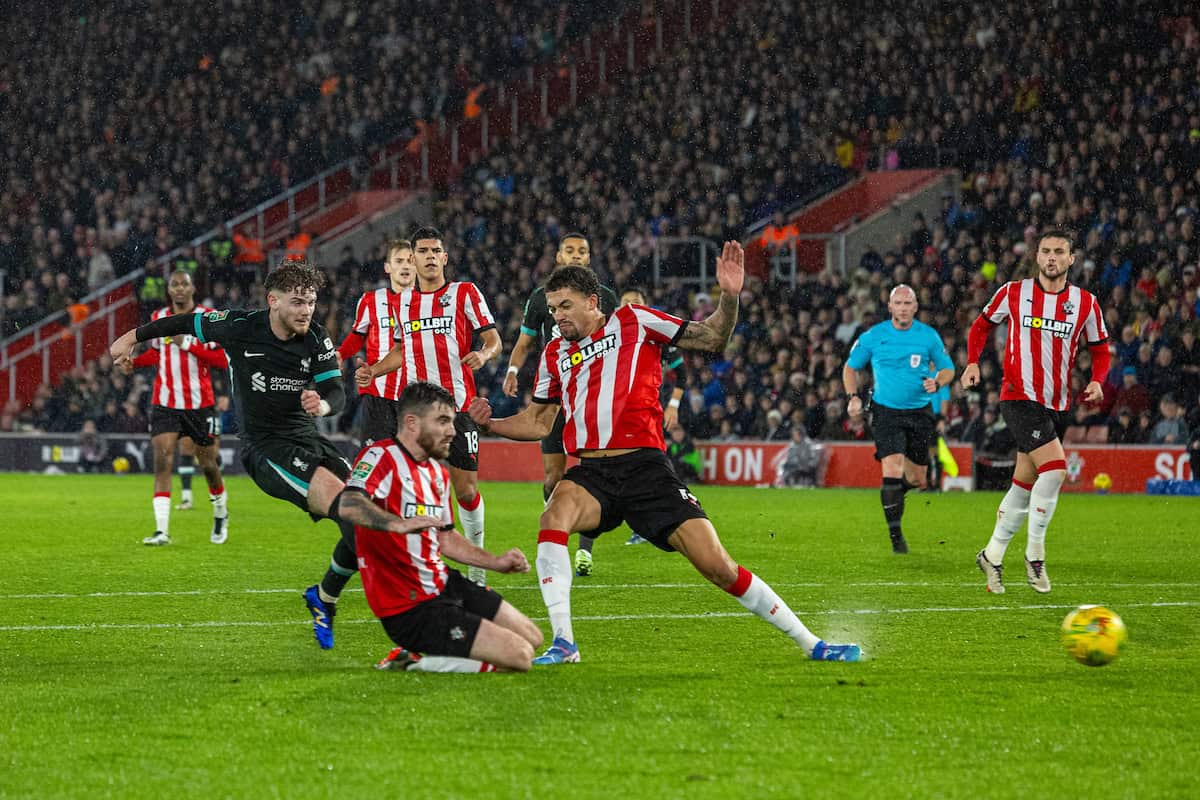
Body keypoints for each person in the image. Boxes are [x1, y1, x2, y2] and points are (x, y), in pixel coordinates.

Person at [468, 246, 861, 664]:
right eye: (552, 308)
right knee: (553, 517)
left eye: (565, 306)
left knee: (718, 566)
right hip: (593, 473)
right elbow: (540, 421)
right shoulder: (553, 354)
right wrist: (491, 424)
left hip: (646, 469)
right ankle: (564, 642)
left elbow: (712, 337)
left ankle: (812, 643)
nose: (557, 315)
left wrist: (729, 296)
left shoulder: (633, 321)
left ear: (593, 302)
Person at [111, 260, 438, 649]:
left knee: (365, 508)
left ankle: (325, 596)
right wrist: (133, 336)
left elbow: (337, 391)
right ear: (273, 301)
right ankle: (410, 623)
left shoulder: (316, 337)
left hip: (309, 441)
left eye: (312, 302)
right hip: (266, 450)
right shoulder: (240, 326)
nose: (306, 311)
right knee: (357, 512)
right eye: (298, 302)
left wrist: (324, 406)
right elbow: (181, 324)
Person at [351, 382, 543, 673]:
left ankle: (433, 653)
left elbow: (447, 539)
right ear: (412, 423)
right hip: (410, 607)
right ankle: (412, 663)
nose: (452, 431)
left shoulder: (437, 473)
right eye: (442, 421)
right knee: (519, 657)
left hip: (445, 584)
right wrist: (396, 524)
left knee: (534, 638)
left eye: (452, 422)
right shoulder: (380, 457)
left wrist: (497, 562)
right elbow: (348, 503)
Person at [962, 229, 1109, 594]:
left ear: (1071, 259)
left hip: (1056, 403)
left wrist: (1098, 379)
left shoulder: (1086, 303)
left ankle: (992, 555)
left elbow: (1101, 349)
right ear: (1037, 256)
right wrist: (972, 363)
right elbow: (980, 327)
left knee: (1024, 481)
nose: (1052, 258)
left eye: (1059, 252)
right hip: (1018, 396)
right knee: (1056, 470)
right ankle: (1035, 555)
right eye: (1046, 251)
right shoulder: (1014, 293)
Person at [356, 227, 501, 586]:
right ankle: (429, 563)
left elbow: (494, 339)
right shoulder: (404, 303)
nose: (430, 256)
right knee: (424, 491)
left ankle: (477, 562)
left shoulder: (464, 293)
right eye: (423, 251)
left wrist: (484, 355)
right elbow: (401, 351)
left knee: (465, 491)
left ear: (445, 257)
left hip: (459, 409)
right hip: (419, 415)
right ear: (415, 257)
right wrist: (373, 370)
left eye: (436, 250)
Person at [501, 233, 620, 574]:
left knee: (592, 471)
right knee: (554, 476)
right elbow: (525, 342)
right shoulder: (541, 298)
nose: (576, 255)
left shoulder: (605, 298)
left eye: (582, 250)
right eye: (570, 250)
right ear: (558, 255)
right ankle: (557, 538)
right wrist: (512, 370)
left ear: (589, 256)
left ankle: (584, 549)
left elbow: (618, 341)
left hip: (591, 395)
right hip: (555, 394)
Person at [842, 284, 955, 553]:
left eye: (908, 304)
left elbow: (948, 369)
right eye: (899, 304)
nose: (903, 308)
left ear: (915, 307)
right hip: (886, 411)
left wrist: (937, 383)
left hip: (920, 412)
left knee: (917, 479)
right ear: (890, 307)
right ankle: (896, 537)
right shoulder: (874, 336)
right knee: (891, 469)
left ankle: (891, 496)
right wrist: (853, 397)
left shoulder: (928, 337)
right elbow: (850, 367)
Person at [127, 270, 231, 546]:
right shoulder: (158, 318)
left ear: (193, 287)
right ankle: (162, 531)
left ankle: (220, 511)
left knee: (208, 464)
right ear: (169, 290)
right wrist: (133, 363)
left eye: (185, 283)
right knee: (162, 463)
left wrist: (188, 345)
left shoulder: (208, 317)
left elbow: (222, 360)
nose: (180, 289)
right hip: (165, 402)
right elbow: (157, 353)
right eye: (175, 284)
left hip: (200, 403)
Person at [613, 287, 688, 549]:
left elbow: (683, 374)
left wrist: (673, 405)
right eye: (626, 302)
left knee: (647, 466)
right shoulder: (609, 336)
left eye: (637, 302)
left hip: (649, 411)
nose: (631, 306)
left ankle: (661, 519)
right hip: (616, 414)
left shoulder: (657, 336)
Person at [337, 237, 416, 445]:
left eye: (410, 260)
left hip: (416, 396)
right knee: (375, 462)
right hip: (378, 393)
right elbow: (357, 336)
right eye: (399, 261)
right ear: (388, 267)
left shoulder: (429, 302)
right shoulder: (371, 300)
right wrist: (340, 354)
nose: (405, 266)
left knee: (412, 467)